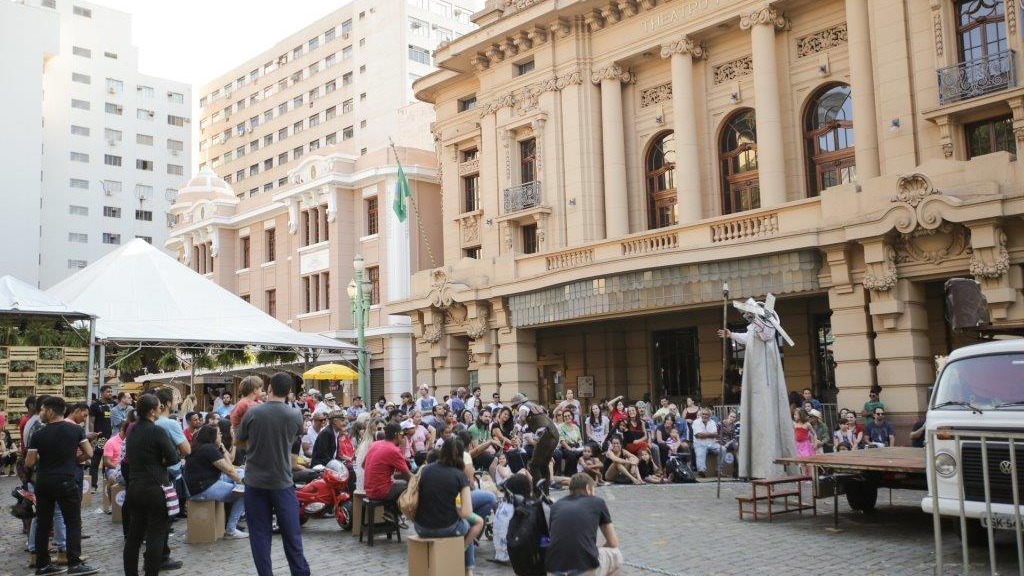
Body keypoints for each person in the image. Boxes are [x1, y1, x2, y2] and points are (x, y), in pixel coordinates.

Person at [234, 373, 310, 576]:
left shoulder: (253, 413)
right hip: (282, 481)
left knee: (259, 535)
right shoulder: (295, 415)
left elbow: (238, 442)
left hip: (255, 481)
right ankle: (300, 572)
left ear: (269, 389)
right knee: (291, 533)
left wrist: (254, 443)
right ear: (288, 393)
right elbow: (293, 438)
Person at [717, 295, 797, 479]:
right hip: (756, 372)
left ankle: (774, 466)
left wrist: (756, 317)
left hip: (765, 373)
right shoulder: (753, 327)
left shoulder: (766, 323)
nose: (745, 316)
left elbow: (766, 335)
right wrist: (731, 335)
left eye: (747, 313)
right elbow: (748, 338)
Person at [26, 395, 99, 576]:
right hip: (66, 479)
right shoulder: (74, 431)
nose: (41, 413)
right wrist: (73, 460)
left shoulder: (38, 434)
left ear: (50, 411)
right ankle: (74, 563)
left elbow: (29, 462)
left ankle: (43, 565)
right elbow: (89, 453)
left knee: (43, 523)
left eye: (42, 410)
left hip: (43, 481)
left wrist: (44, 460)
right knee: (72, 521)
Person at [121, 394, 177, 576]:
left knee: (134, 535)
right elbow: (173, 457)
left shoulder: (131, 429)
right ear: (152, 411)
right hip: (154, 486)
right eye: (160, 407)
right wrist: (160, 461)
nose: (161, 409)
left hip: (135, 486)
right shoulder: (157, 430)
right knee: (156, 534)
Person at [413, 436, 483, 576]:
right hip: (446, 528)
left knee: (464, 524)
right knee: (476, 523)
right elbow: (466, 512)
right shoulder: (460, 476)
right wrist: (454, 508)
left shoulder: (426, 470)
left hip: (421, 527)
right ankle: (465, 563)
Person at [545, 473, 623, 576]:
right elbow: (613, 542)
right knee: (616, 554)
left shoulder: (556, 506)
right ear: (588, 488)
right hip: (584, 567)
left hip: (553, 569)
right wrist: (597, 549)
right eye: (594, 490)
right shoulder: (597, 502)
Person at [183, 424, 247, 538]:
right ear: (212, 435)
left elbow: (230, 467)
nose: (221, 435)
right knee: (245, 493)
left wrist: (222, 449)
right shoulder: (209, 449)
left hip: (201, 486)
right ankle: (231, 529)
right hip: (203, 489)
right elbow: (229, 470)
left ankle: (231, 526)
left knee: (240, 475)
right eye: (219, 433)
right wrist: (242, 482)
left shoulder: (203, 447)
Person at [363, 422, 412, 525]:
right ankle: (393, 512)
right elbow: (408, 476)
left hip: (368, 489)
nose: (402, 438)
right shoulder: (393, 450)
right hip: (380, 491)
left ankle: (391, 512)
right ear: (397, 435)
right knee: (410, 485)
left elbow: (364, 465)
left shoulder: (374, 444)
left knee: (398, 483)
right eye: (402, 435)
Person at [88, 385, 115, 494]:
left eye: (111, 391)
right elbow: (91, 421)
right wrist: (93, 435)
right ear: (102, 393)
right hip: (100, 438)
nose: (110, 393)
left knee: (108, 461)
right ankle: (93, 485)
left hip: (112, 438)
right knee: (95, 461)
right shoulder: (95, 406)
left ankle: (106, 483)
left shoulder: (114, 404)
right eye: (108, 391)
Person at [691, 408, 723, 477]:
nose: (704, 416)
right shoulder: (696, 422)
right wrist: (710, 434)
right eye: (703, 414)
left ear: (710, 416)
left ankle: (718, 470)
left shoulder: (713, 422)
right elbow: (698, 435)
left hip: (712, 444)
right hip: (699, 444)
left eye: (706, 414)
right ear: (701, 414)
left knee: (723, 449)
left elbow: (715, 434)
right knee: (700, 451)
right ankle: (702, 471)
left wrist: (704, 434)